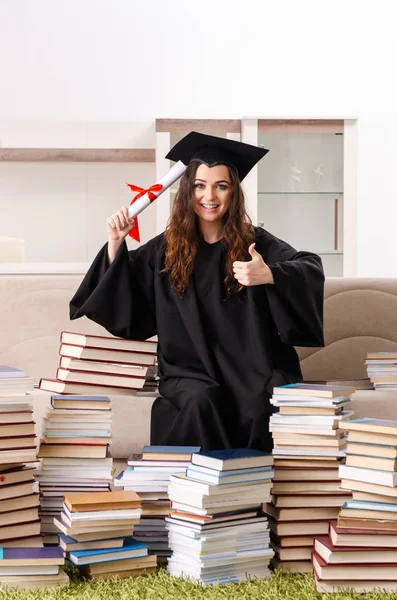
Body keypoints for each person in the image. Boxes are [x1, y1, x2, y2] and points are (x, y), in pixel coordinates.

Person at [70, 132, 324, 453]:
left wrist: (270, 274)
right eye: (200, 186)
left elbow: (309, 267)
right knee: (203, 402)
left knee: (265, 401)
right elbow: (127, 298)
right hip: (189, 372)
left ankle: (252, 494)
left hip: (252, 367)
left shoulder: (255, 243)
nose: (210, 196)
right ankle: (195, 494)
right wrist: (116, 242)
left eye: (221, 185)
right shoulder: (166, 248)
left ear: (234, 193)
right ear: (188, 192)